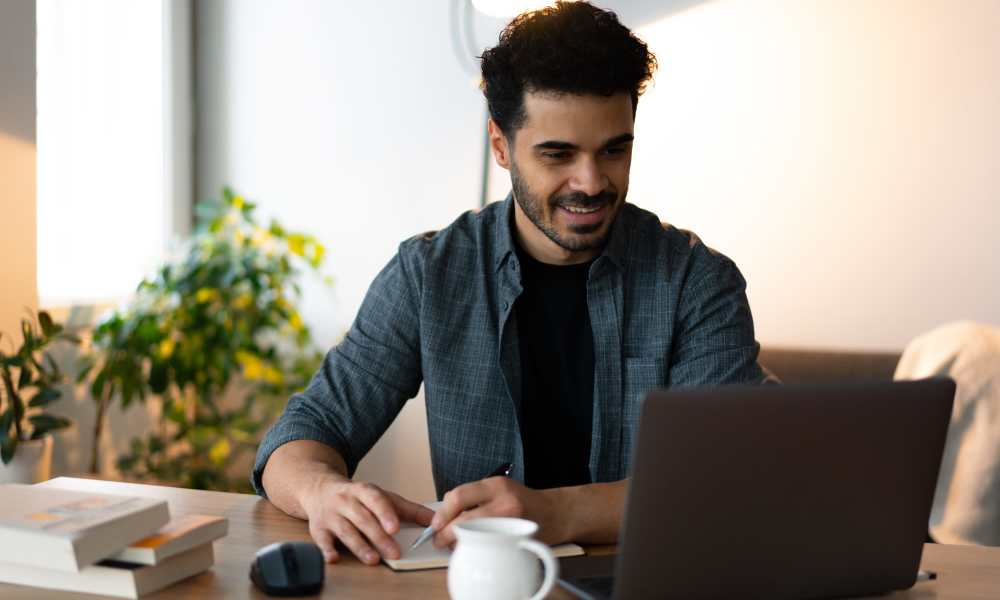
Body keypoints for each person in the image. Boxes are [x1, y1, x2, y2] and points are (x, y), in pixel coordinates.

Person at [252, 1, 767, 566]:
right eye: (557, 154)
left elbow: (723, 480)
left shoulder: (697, 282)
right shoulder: (429, 275)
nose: (591, 182)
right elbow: (303, 432)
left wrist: (557, 513)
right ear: (501, 145)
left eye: (614, 150)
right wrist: (322, 491)